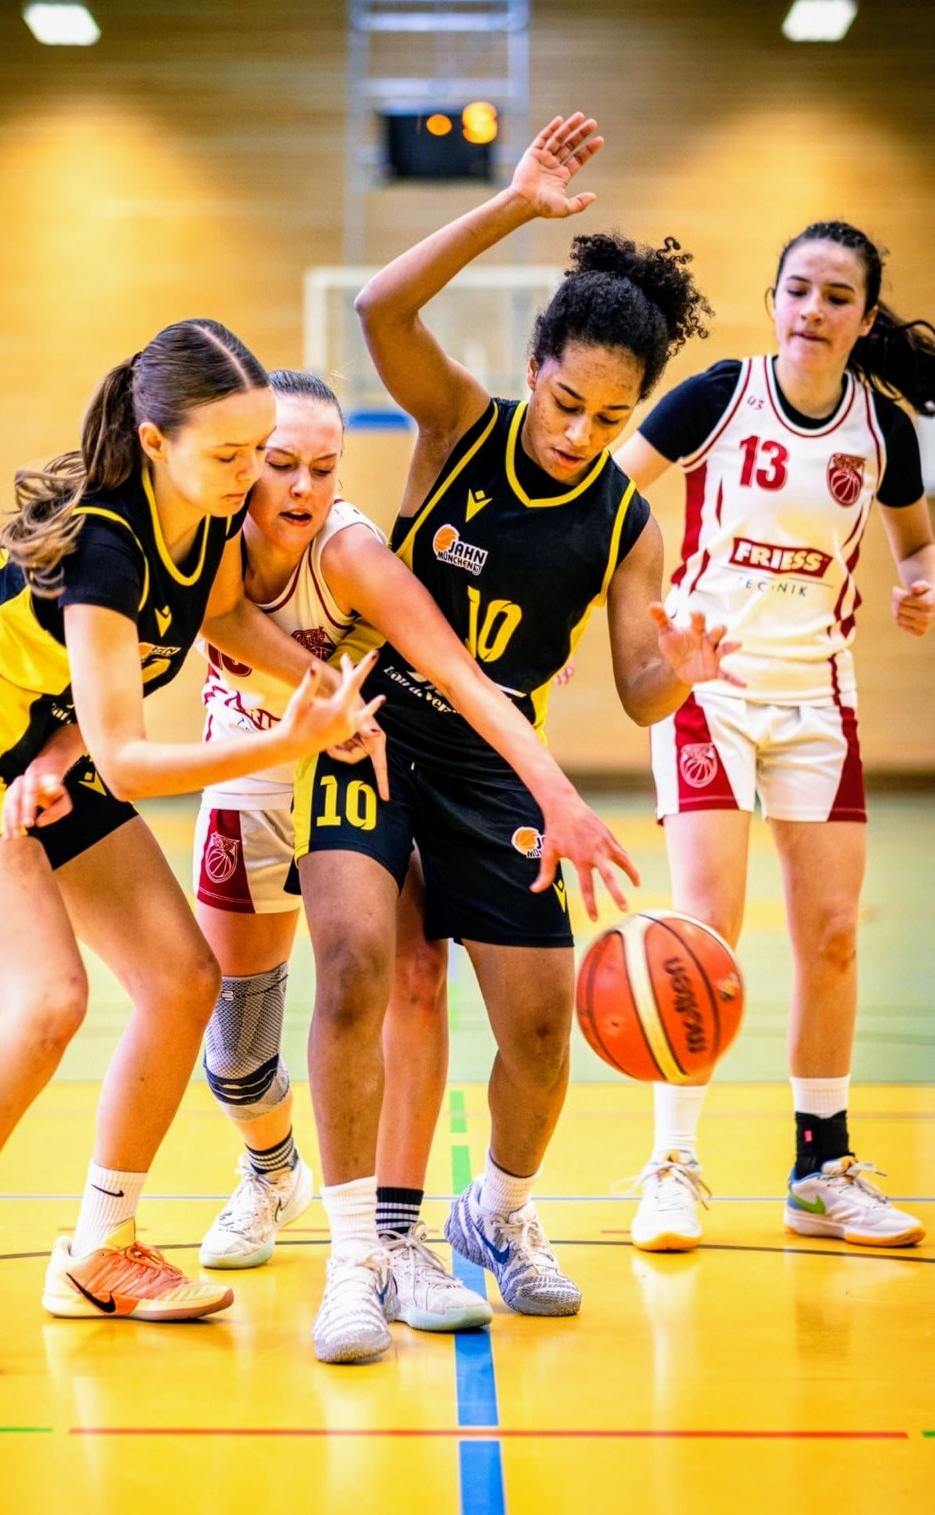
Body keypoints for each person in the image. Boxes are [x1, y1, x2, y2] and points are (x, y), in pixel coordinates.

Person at [0, 319, 383, 1373]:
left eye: (258, 451)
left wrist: (326, 689)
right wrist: (289, 737)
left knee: (183, 980)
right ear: (156, 442)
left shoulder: (208, 521)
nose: (251, 478)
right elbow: (129, 761)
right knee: (49, 1001)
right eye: (231, 455)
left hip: (43, 747)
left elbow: (223, 623)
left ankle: (102, 1248)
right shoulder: (104, 546)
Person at [296, 113, 737, 1364]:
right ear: (533, 366)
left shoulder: (625, 524)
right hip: (376, 727)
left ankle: (496, 1212)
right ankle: (364, 1253)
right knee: (368, 967)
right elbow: (380, 308)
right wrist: (512, 206)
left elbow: (640, 692)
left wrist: (682, 672)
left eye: (611, 415)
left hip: (502, 768)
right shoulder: (460, 424)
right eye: (565, 400)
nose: (580, 432)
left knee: (542, 1028)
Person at [614, 221, 935, 1252]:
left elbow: (917, 547)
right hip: (708, 691)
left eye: (837, 297)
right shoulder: (718, 397)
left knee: (832, 934)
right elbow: (602, 501)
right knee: (703, 929)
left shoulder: (882, 431)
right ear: (774, 300)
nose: (813, 310)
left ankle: (819, 1171)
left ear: (865, 319)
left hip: (818, 700)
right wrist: (588, 620)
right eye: (798, 289)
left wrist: (921, 586)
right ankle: (672, 1163)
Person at [192, 368, 491, 1333]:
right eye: (283, 464)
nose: (304, 488)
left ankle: (386, 1236)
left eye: (324, 469)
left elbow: (444, 637)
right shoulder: (204, 537)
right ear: (246, 461)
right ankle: (272, 1170)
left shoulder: (349, 549)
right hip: (244, 773)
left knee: (400, 974)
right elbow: (163, 631)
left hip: (347, 771)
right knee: (237, 1054)